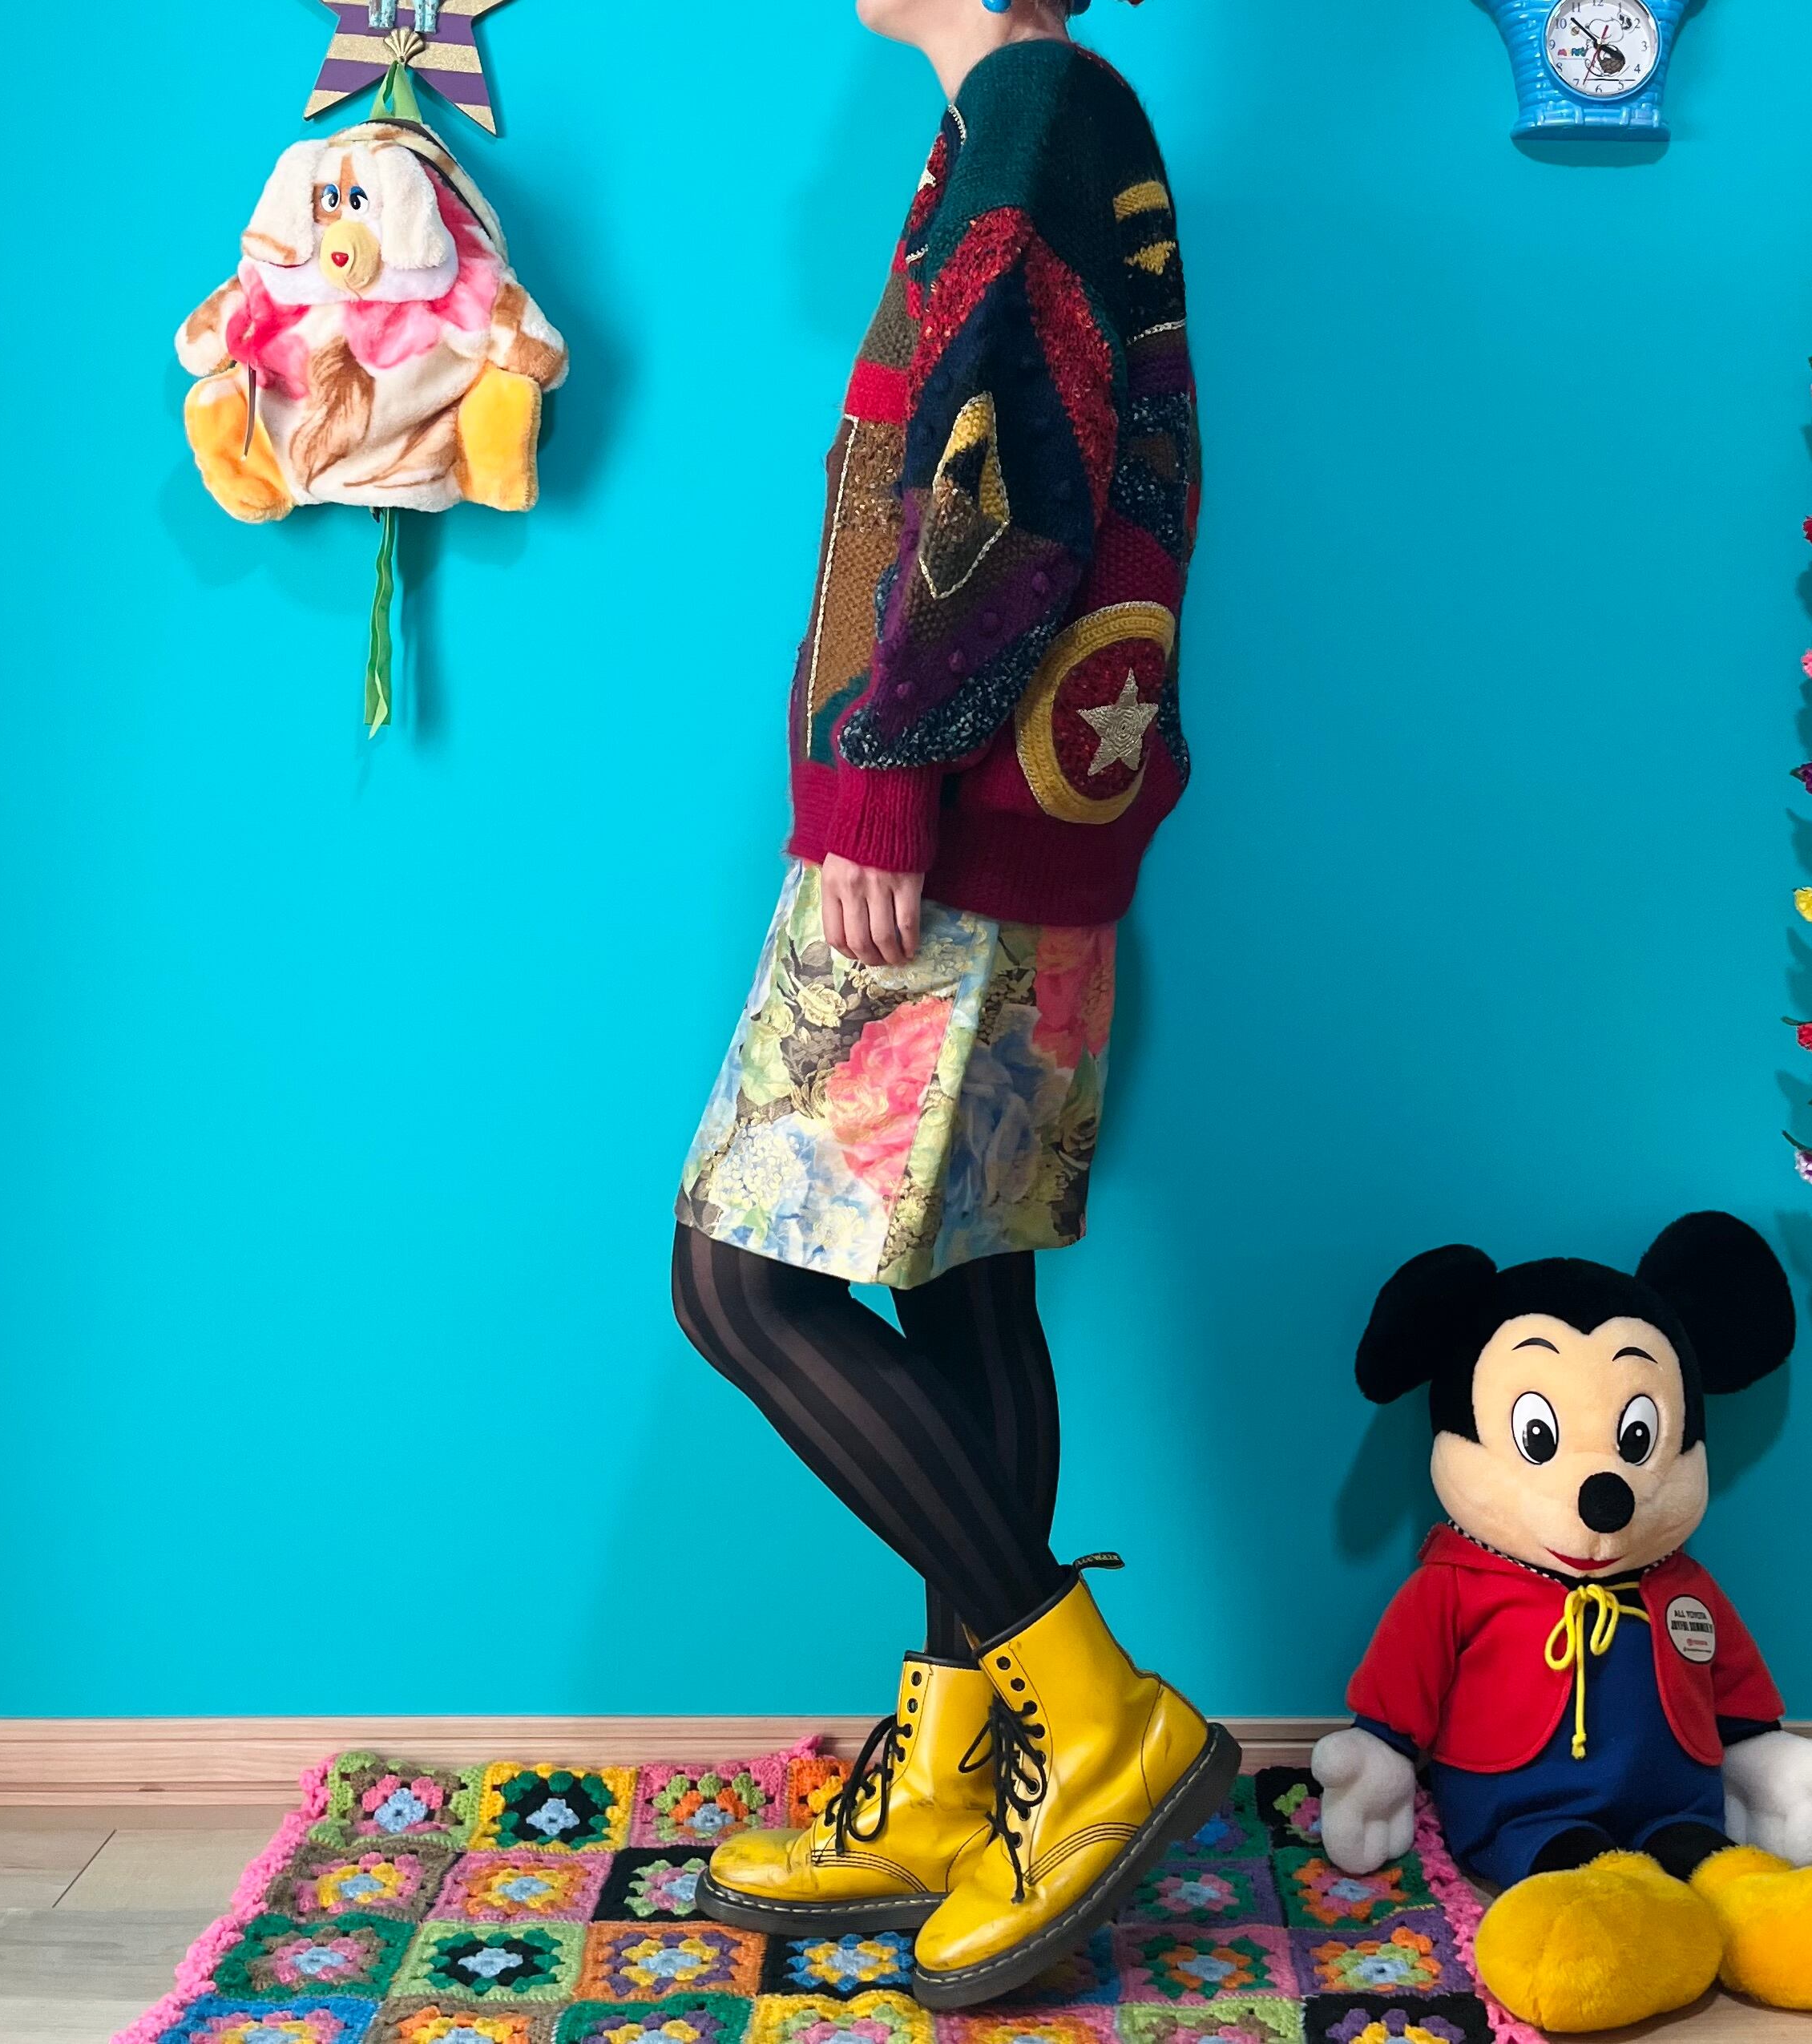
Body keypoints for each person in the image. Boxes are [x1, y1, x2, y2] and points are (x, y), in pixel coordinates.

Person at [672, 0, 1227, 2007]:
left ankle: (1097, 1721)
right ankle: (952, 1783)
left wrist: (883, 779)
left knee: (739, 1287)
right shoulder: (1055, 114)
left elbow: (1000, 467)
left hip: (955, 822)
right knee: (964, 1291)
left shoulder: (1032, 105)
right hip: (1026, 823)